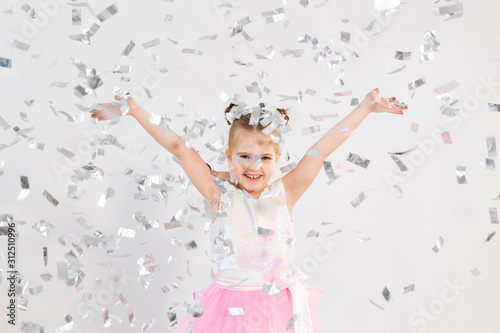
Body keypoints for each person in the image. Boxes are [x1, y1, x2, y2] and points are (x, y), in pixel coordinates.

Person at [90, 88, 407, 332]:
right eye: (244, 156)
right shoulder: (217, 193)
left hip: (277, 313)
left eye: (265, 158)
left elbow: (322, 148)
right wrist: (133, 109)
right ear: (229, 155)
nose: (254, 166)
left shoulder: (287, 193)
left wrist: (365, 107)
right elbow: (179, 148)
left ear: (278, 156)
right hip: (227, 313)